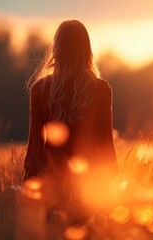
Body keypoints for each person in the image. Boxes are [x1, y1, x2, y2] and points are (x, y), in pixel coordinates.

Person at [23, 20, 117, 223]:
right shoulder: (101, 90)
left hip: (51, 185)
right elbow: (105, 144)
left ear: (56, 48)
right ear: (87, 49)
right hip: (89, 185)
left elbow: (35, 148)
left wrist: (29, 187)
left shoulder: (39, 89)